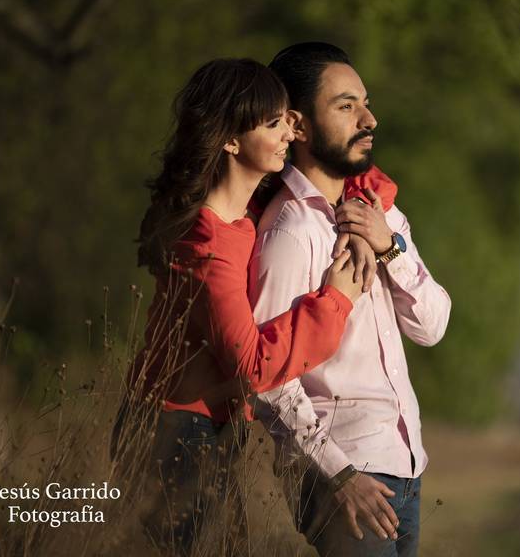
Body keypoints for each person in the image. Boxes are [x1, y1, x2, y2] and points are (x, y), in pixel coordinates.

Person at [114, 57, 396, 554]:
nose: (289, 132)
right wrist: (336, 300)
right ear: (229, 140)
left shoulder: (246, 215)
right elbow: (249, 367)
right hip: (174, 432)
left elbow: (358, 177)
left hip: (212, 427)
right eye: (273, 123)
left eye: (289, 119)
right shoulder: (206, 244)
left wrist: (366, 207)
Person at [250, 42, 451, 557]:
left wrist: (391, 248)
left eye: (364, 102)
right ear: (297, 125)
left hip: (406, 462)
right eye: (345, 106)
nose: (369, 119)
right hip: (344, 476)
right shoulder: (291, 231)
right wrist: (338, 476)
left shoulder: (379, 215)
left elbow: (431, 326)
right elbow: (268, 379)